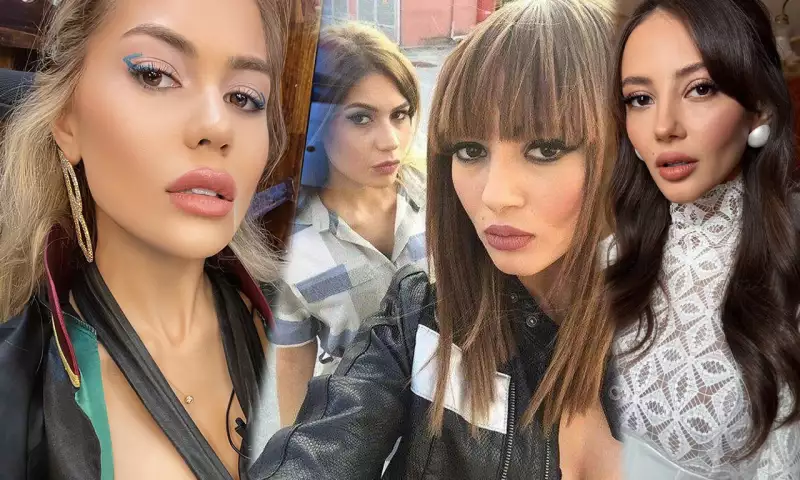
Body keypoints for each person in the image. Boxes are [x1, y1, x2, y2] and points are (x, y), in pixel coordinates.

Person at [251, 1, 623, 478]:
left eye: (545, 149)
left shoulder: (688, 350)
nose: (494, 196)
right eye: (470, 149)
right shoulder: (414, 314)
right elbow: (316, 418)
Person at [0, 0, 288, 478]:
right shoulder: (17, 397)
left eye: (244, 98)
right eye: (155, 74)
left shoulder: (315, 333)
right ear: (67, 118)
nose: (217, 126)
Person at [605, 0, 800, 477]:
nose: (664, 127)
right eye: (640, 99)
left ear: (759, 109)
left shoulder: (788, 276)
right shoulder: (608, 259)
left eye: (700, 88)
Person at [269, 22, 427, 427]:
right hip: (354, 429)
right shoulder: (287, 243)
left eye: (400, 114)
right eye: (361, 118)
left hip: (451, 425)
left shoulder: (440, 194)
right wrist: (293, 450)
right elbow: (293, 360)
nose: (390, 140)